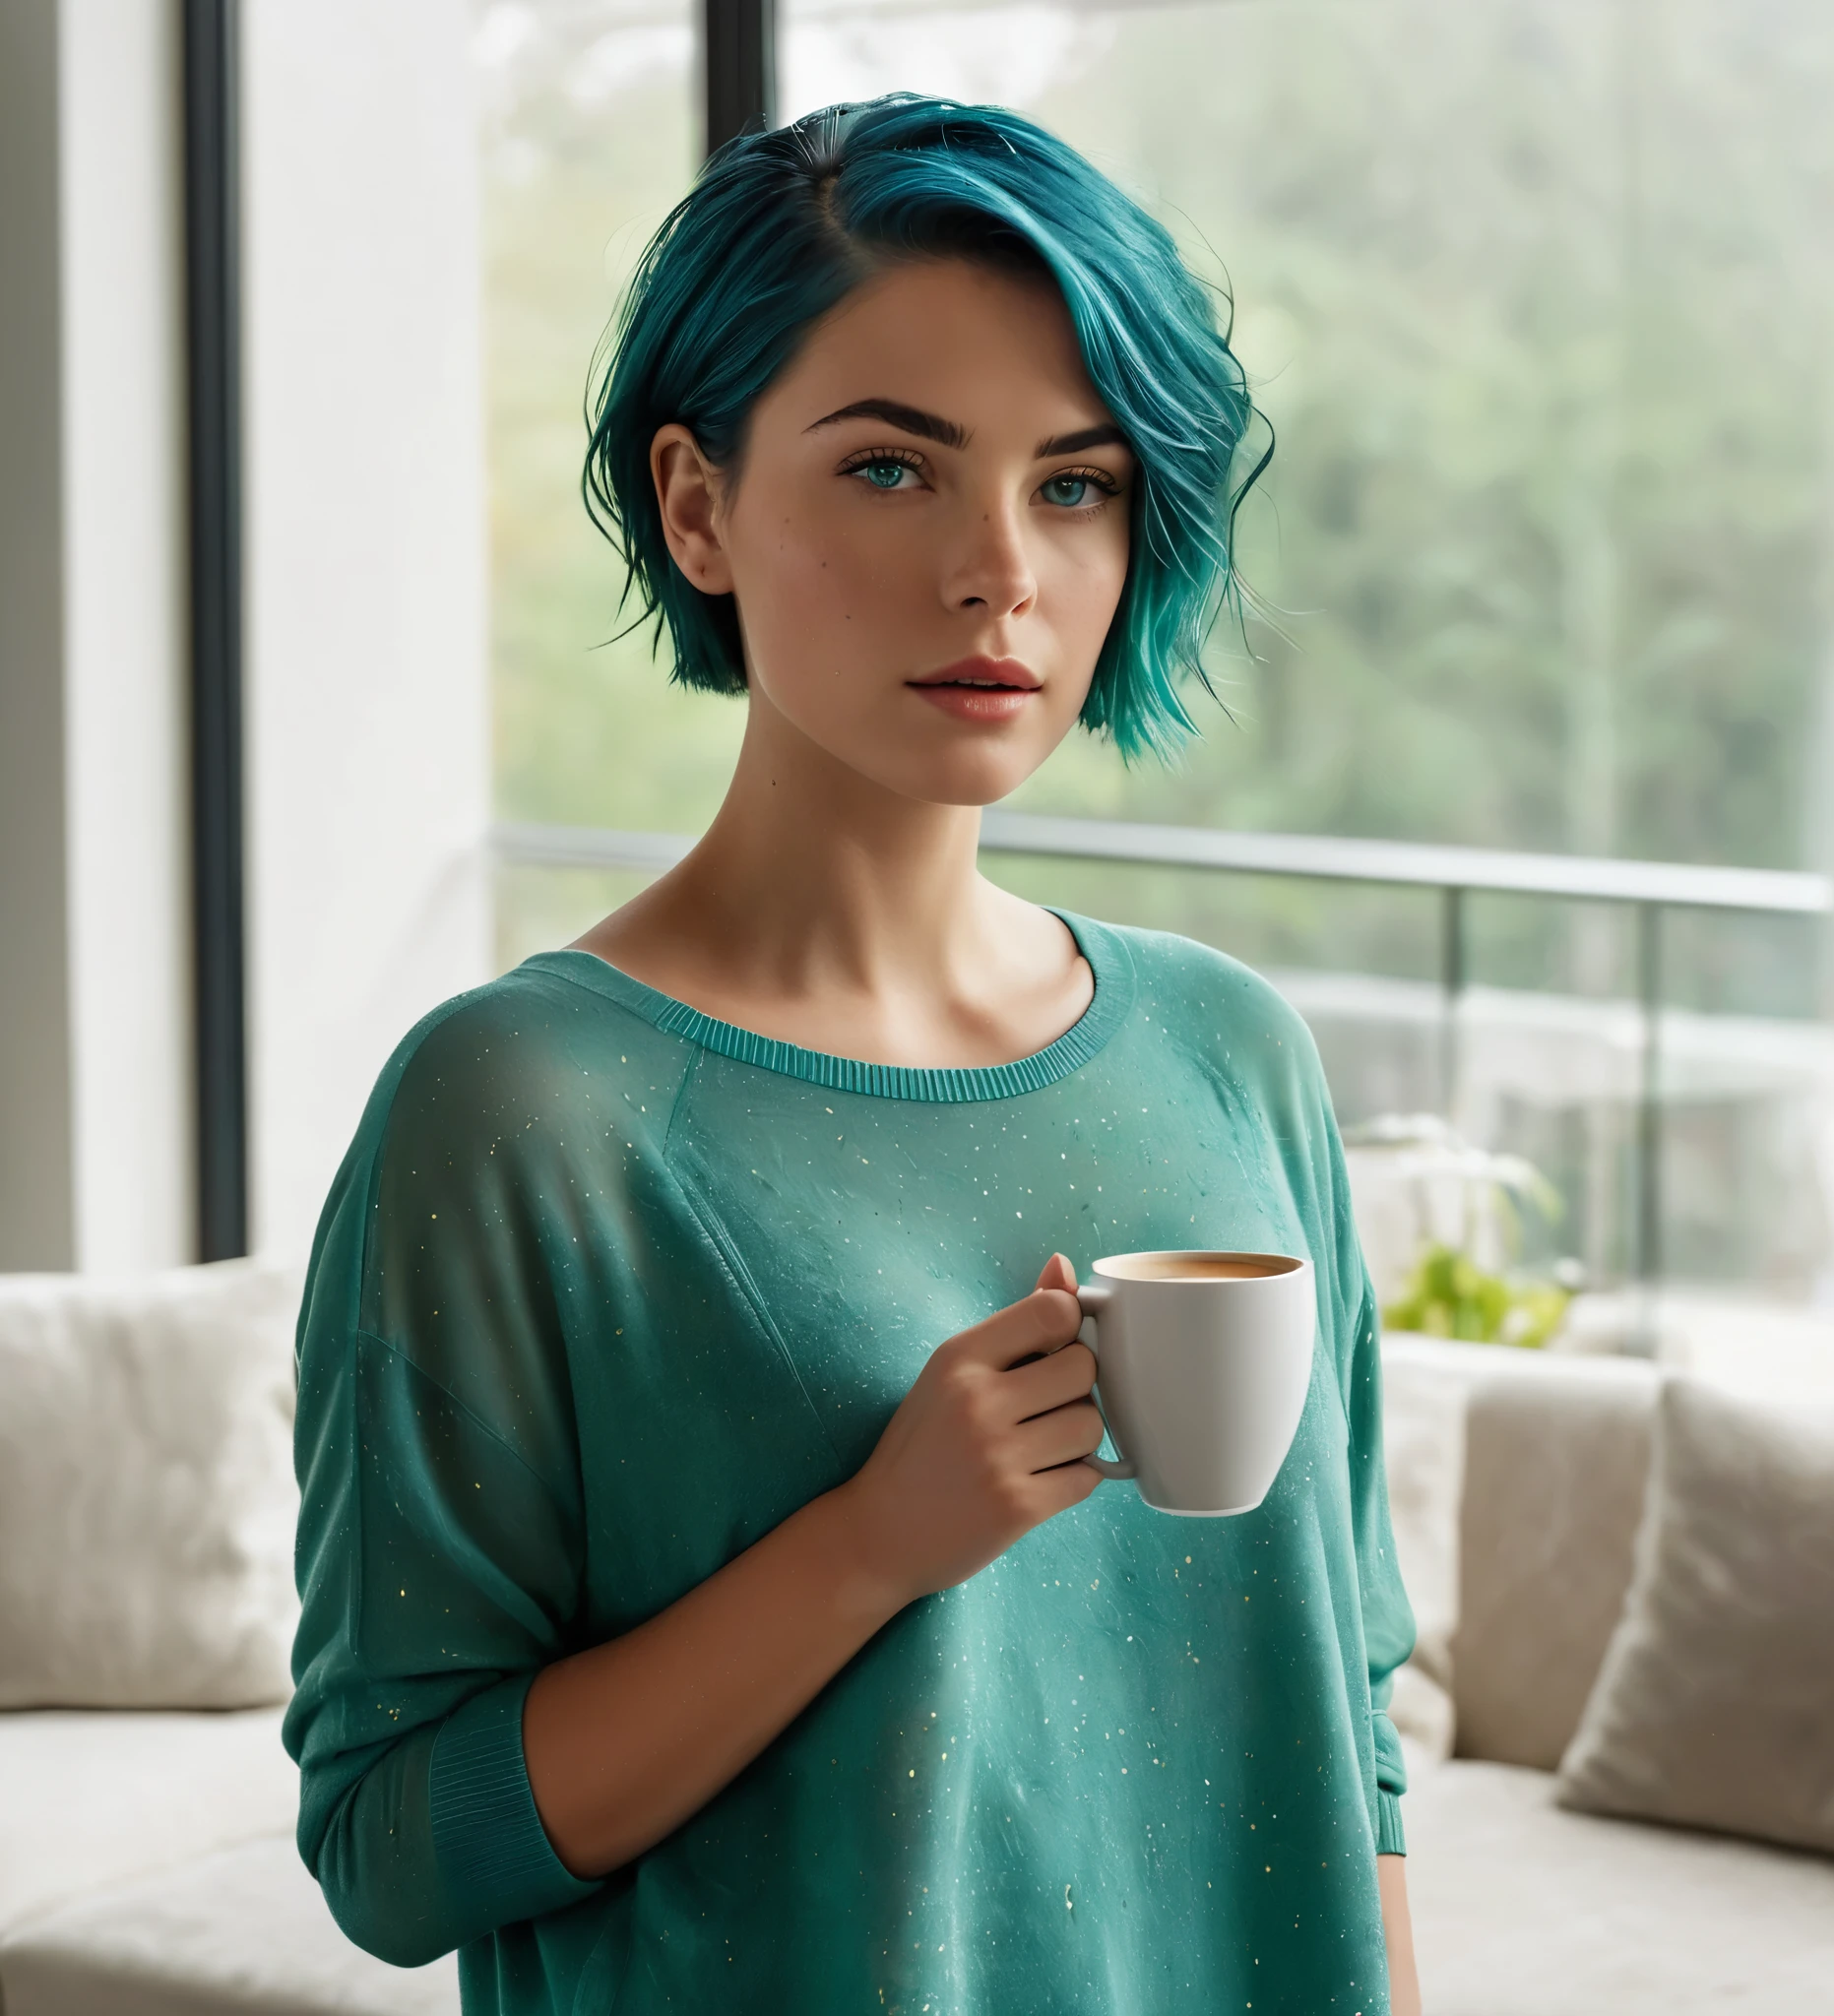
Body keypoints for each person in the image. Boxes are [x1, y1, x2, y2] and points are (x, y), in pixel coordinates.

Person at [285, 94, 1422, 2016]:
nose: (1003, 570)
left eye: (1075, 483)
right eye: (895, 469)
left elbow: (1352, 1713)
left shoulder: (1235, 1053)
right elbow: (396, 1848)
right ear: (697, 503)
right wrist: (872, 1544)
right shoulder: (517, 1116)